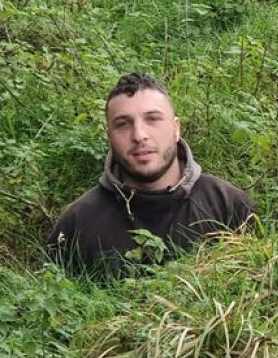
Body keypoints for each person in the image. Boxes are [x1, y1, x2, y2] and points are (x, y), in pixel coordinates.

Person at [48, 73, 254, 274]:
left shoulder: (227, 204)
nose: (139, 135)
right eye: (123, 124)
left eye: (152, 119)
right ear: (109, 136)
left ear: (176, 129)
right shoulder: (78, 223)